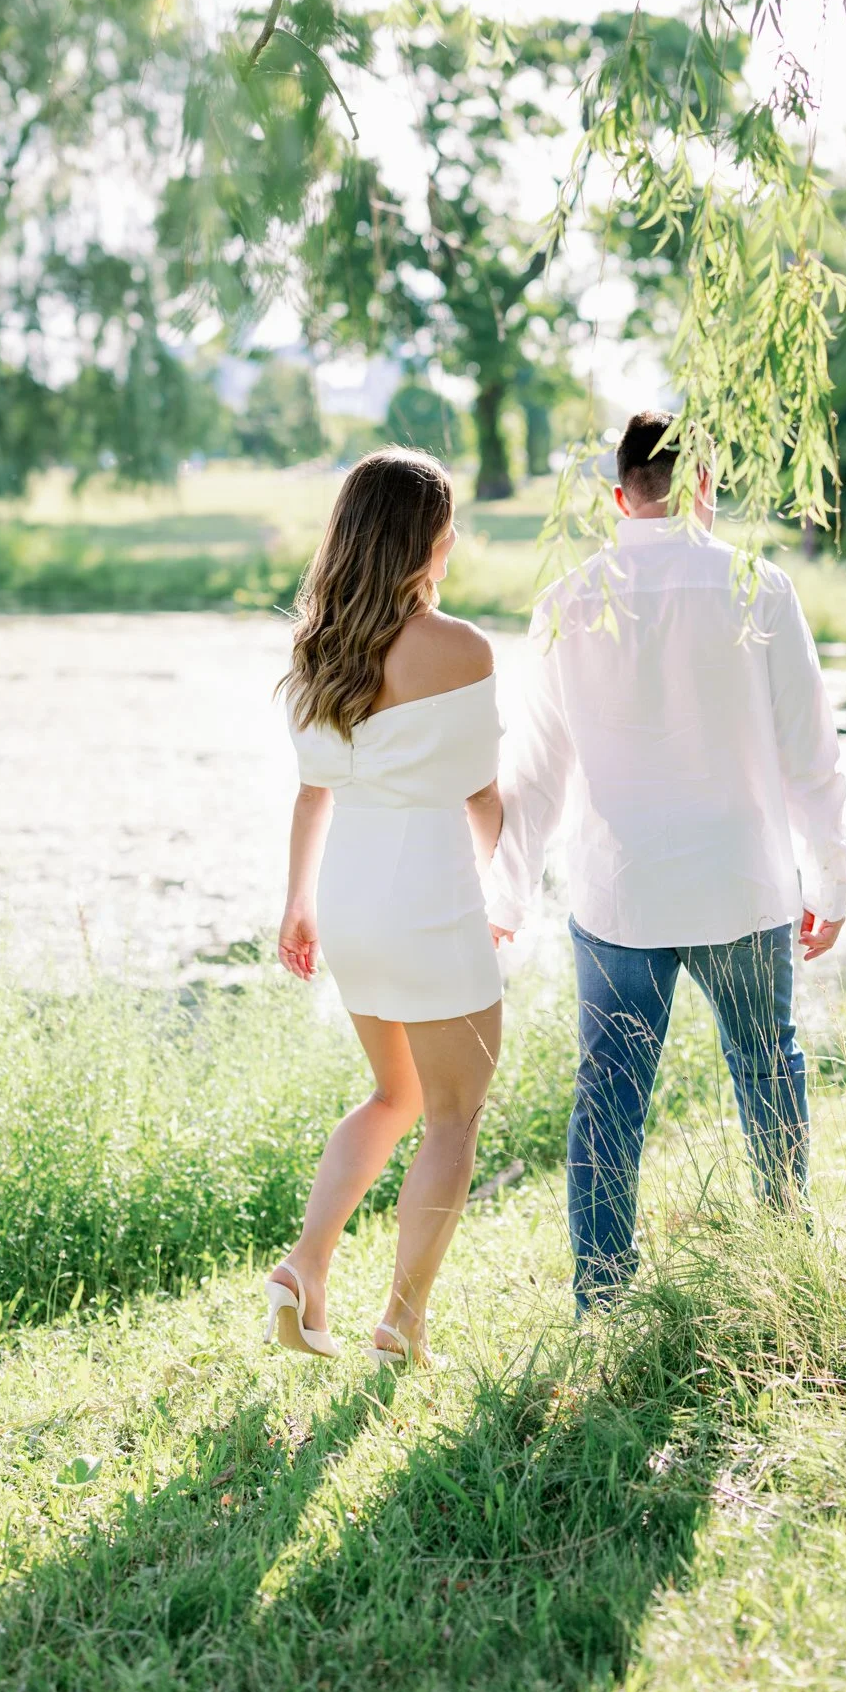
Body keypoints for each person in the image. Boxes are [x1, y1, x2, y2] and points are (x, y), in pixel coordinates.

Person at [487, 410, 846, 1309]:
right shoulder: (759, 587)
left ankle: (603, 1299)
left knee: (609, 1095)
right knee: (766, 1070)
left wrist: (506, 897)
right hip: (742, 883)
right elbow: (811, 754)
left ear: (620, 498)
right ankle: (789, 1269)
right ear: (705, 487)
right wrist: (831, 880)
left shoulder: (567, 601)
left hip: (622, 892)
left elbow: (535, 773)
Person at [265, 447, 507, 1367]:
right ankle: (402, 1322)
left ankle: (306, 1267)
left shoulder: (317, 649)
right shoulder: (463, 649)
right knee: (452, 1113)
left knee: (392, 1094)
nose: (455, 542)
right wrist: (504, 883)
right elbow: (481, 796)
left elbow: (311, 793)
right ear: (423, 540)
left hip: (349, 899)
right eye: (448, 528)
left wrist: (297, 903)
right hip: (427, 897)